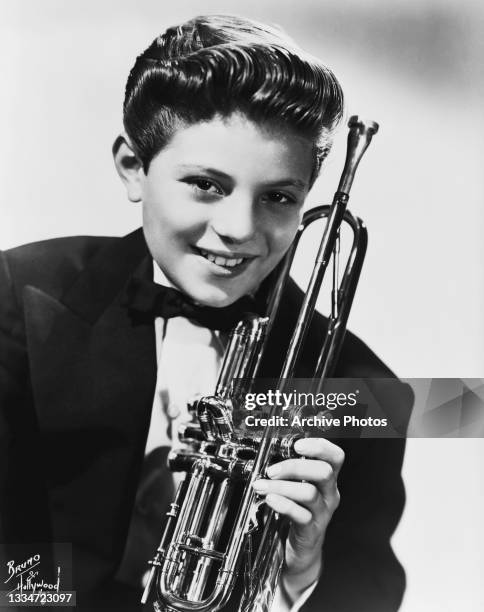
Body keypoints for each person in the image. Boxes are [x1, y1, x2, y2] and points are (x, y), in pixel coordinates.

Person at [0, 14, 412, 612]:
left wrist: (299, 573)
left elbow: (371, 588)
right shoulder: (18, 299)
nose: (239, 229)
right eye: (206, 185)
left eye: (278, 197)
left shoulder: (363, 387)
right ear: (133, 168)